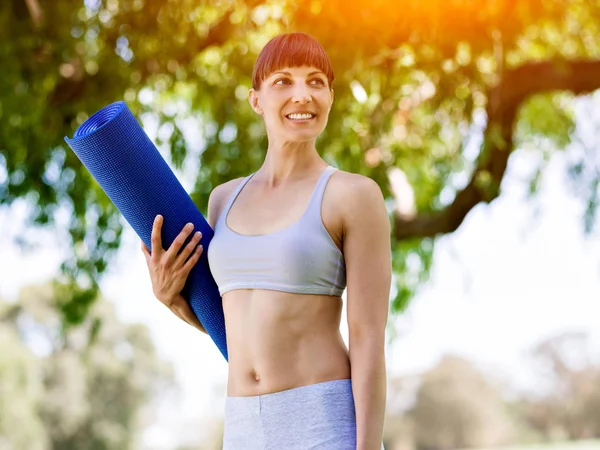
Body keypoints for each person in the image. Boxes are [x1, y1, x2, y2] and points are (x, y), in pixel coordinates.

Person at [141, 32, 391, 450]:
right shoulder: (223, 199)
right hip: (242, 425)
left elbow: (367, 338)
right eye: (283, 82)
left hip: (322, 421)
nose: (302, 95)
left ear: (331, 96)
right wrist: (171, 299)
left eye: (316, 82)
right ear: (256, 100)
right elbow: (233, 327)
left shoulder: (353, 195)